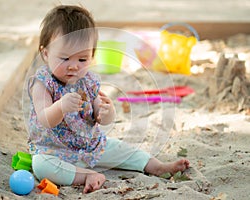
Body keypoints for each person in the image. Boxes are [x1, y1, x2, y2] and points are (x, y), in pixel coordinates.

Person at [27, 5, 189, 194]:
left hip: (90, 147)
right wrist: (60, 107)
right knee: (41, 166)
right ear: (45, 53)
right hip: (53, 151)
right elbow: (45, 120)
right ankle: (87, 175)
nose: (73, 66)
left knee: (122, 148)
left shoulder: (88, 82)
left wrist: (107, 112)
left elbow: (100, 117)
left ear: (92, 56)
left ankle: (157, 166)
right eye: (65, 58)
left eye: (82, 59)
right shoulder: (43, 83)